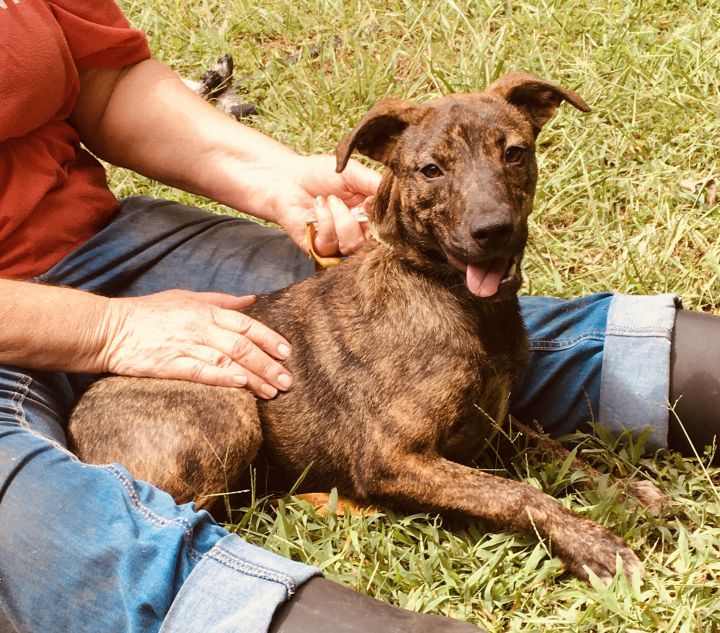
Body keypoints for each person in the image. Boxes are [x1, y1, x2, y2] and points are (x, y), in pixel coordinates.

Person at [0, 2, 717, 632]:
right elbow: (387, 461)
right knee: (44, 525)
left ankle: (679, 363)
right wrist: (112, 330)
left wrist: (276, 177)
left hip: (110, 243)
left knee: (430, 315)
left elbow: (109, 84)